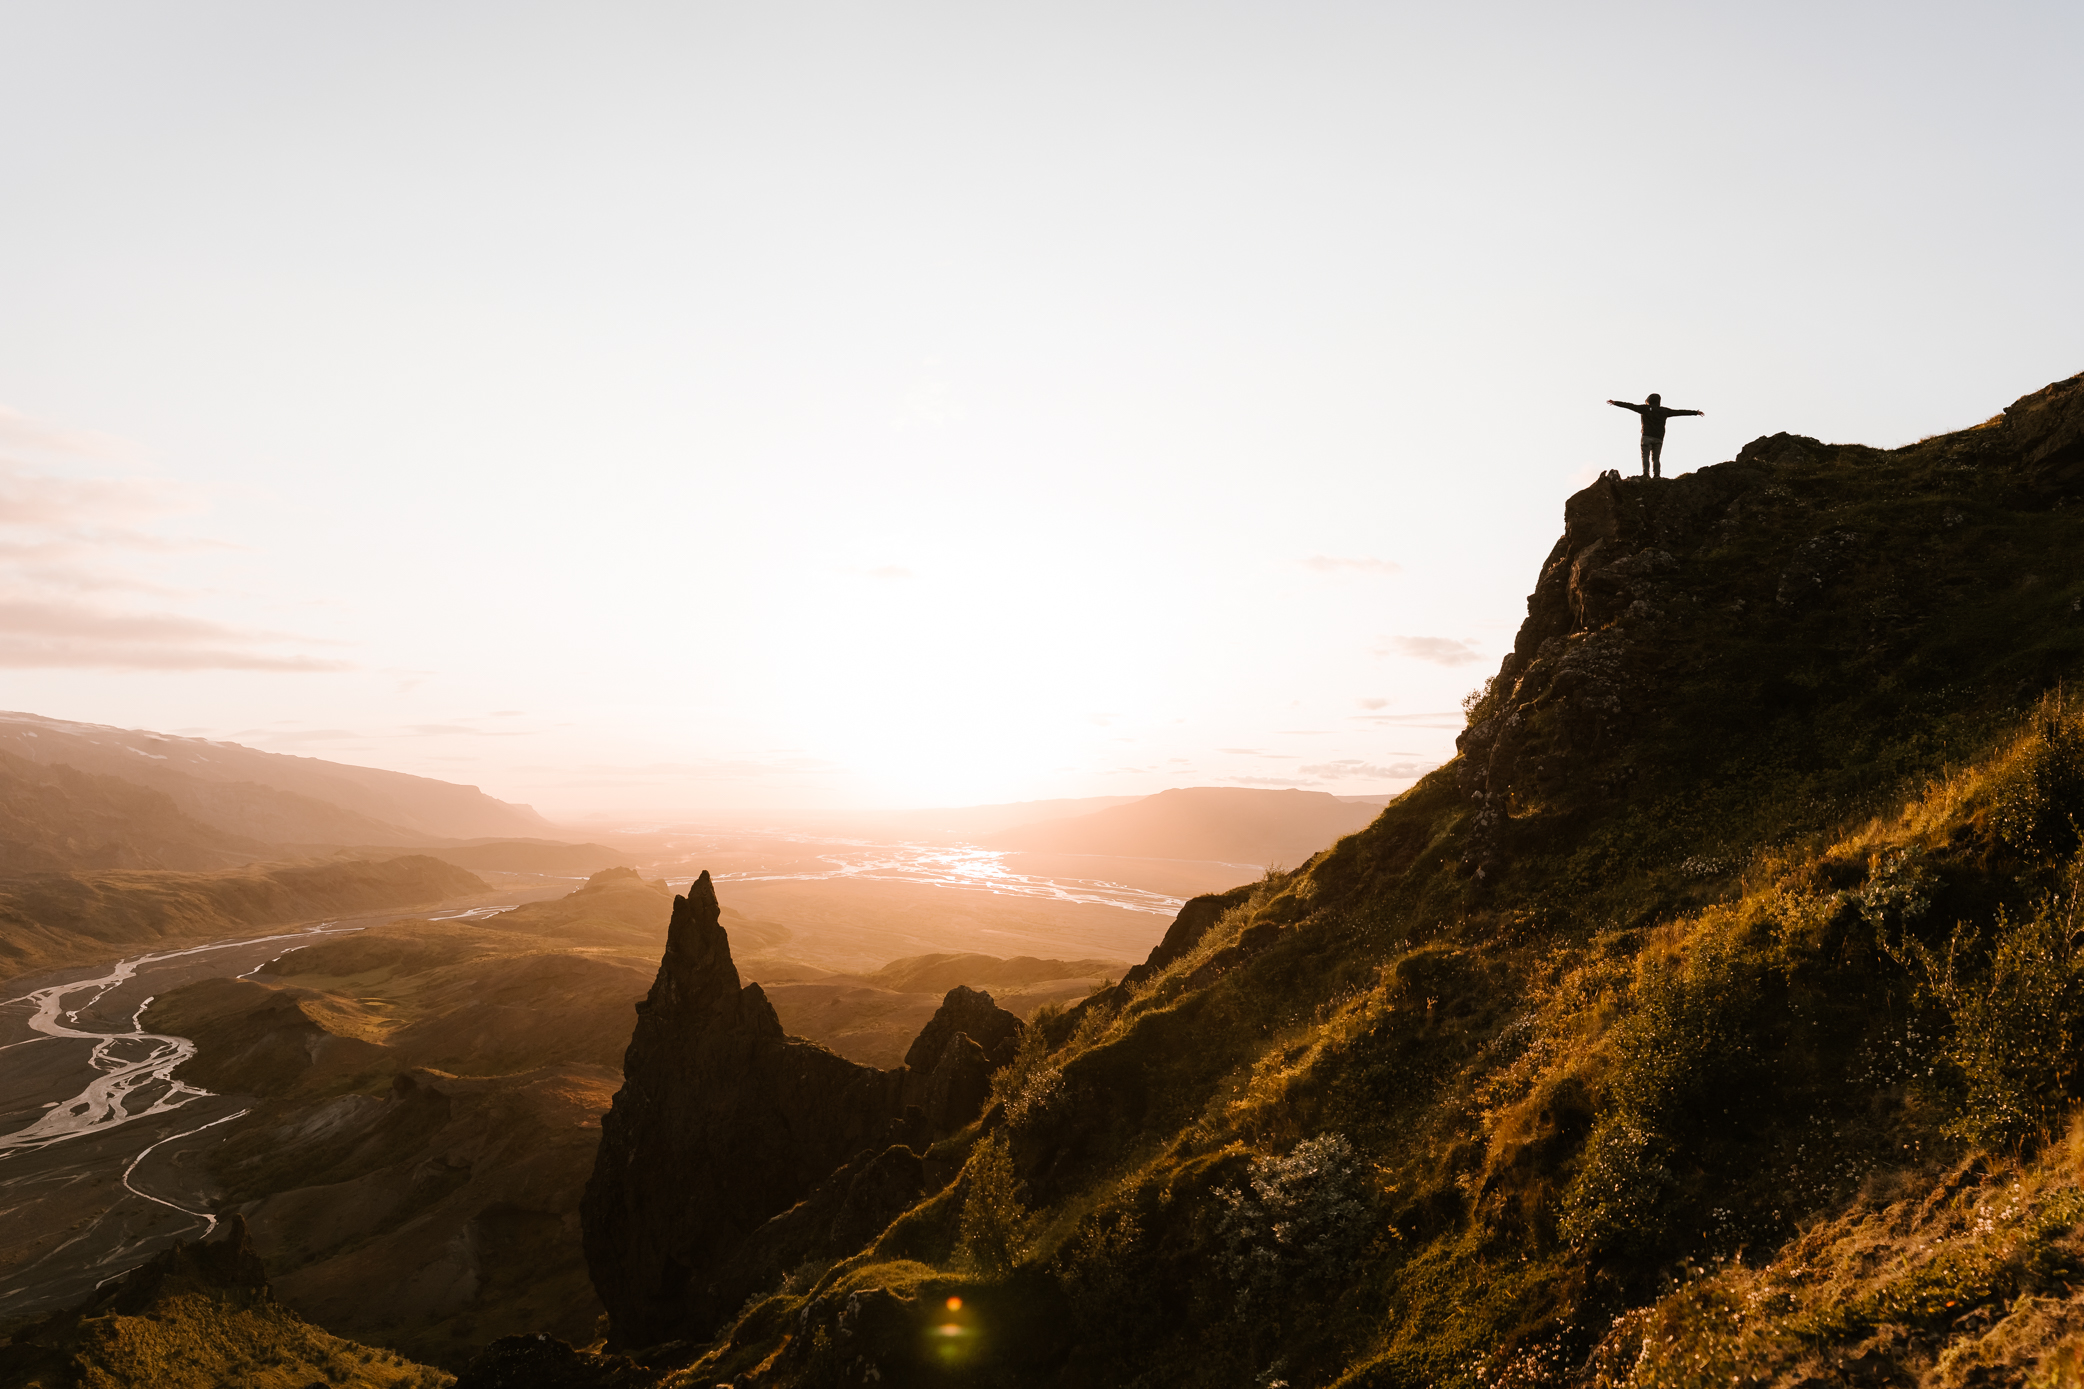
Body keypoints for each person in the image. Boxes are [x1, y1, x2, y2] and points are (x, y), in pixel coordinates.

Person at [1607, 393, 1705, 478]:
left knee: (1645, 455)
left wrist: (1615, 402)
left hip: (1646, 436)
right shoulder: (1664, 411)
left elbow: (1630, 406)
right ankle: (1657, 475)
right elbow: (1680, 412)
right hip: (1658, 438)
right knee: (1656, 458)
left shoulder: (1644, 408)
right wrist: (1695, 412)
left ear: (1648, 401)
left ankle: (1646, 473)